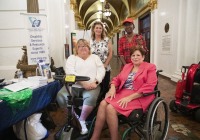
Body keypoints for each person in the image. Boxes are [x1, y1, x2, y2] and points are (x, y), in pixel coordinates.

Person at [90, 46, 157, 140]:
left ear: (143, 57)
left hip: (140, 96)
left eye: (138, 55)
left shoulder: (150, 67)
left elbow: (150, 86)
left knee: (110, 108)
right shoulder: (127, 66)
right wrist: (112, 87)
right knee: (102, 103)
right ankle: (95, 136)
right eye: (133, 55)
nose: (135, 57)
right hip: (123, 93)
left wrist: (129, 98)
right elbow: (117, 79)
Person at [56, 39, 105, 135]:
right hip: (73, 86)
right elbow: (70, 71)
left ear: (89, 48)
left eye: (85, 46)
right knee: (61, 96)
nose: (83, 48)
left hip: (92, 86)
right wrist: (83, 83)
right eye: (80, 46)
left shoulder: (95, 57)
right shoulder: (72, 58)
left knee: (90, 98)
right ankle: (75, 118)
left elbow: (101, 70)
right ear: (76, 49)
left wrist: (96, 82)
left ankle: (82, 120)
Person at [90, 21, 113, 96]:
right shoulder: (90, 41)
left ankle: (103, 102)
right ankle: (95, 103)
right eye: (97, 28)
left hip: (105, 67)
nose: (98, 29)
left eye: (100, 28)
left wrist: (105, 64)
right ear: (93, 29)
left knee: (105, 87)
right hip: (94, 68)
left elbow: (110, 53)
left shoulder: (107, 40)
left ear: (102, 30)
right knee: (96, 86)